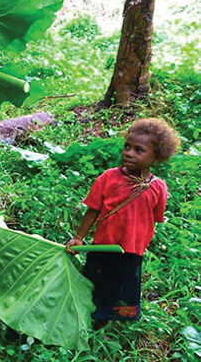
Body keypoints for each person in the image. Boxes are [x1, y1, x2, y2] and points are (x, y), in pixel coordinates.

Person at [66, 118, 180, 330]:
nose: (129, 153)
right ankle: (86, 317)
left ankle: (106, 319)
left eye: (139, 150)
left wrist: (140, 239)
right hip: (102, 246)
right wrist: (79, 237)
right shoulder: (109, 178)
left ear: (156, 156)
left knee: (119, 286)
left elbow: (154, 218)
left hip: (131, 251)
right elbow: (93, 210)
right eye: (127, 146)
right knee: (94, 283)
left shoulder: (158, 188)